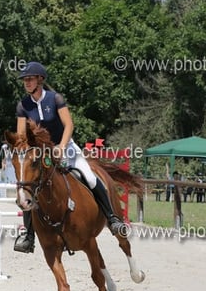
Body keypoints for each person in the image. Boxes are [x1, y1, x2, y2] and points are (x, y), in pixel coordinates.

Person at [12, 61, 125, 253]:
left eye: (30, 79)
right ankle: (28, 235)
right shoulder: (23, 105)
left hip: (66, 147)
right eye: (25, 80)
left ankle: (112, 218)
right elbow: (22, 135)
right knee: (29, 187)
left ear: (40, 79)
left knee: (89, 177)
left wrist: (62, 147)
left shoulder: (55, 98)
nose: (27, 82)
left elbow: (69, 125)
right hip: (41, 154)